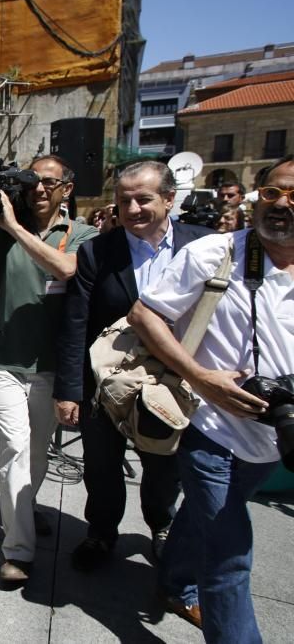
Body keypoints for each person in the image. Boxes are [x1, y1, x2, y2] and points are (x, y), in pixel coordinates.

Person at [127, 155, 294, 640]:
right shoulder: (216, 253)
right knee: (229, 553)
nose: (282, 204)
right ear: (254, 196)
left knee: (210, 517)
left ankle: (175, 580)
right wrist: (200, 377)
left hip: (274, 437)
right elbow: (144, 315)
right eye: (272, 193)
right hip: (211, 428)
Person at [53, 161, 213, 575]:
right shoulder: (97, 251)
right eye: (125, 201)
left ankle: (161, 526)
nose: (134, 208)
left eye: (144, 199)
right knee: (102, 465)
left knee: (164, 465)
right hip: (108, 382)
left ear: (169, 199)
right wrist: (70, 389)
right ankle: (101, 532)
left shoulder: (206, 246)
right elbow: (76, 322)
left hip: (175, 385)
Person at [0, 154, 98, 584]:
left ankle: (23, 508)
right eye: (32, 182)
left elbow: (66, 269)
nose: (39, 189)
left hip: (52, 365)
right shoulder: (3, 231)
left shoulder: (83, 234)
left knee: (37, 452)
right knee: (16, 449)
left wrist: (13, 227)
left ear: (67, 189)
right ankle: (18, 549)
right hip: (4, 359)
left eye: (50, 182)